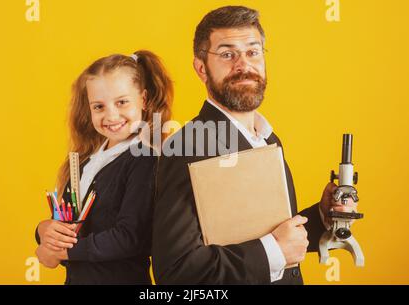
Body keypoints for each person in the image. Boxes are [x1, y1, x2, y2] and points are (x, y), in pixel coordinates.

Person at [152, 6, 358, 284]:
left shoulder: (267, 137)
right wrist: (274, 252)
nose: (243, 65)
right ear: (201, 69)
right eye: (227, 54)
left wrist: (322, 216)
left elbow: (264, 232)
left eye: (253, 52)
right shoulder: (188, 146)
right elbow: (176, 272)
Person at [34, 50, 173, 284]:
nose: (111, 115)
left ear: (144, 100)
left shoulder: (145, 158)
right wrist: (43, 230)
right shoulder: (86, 161)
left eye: (122, 102)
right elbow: (69, 223)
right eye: (98, 106)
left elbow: (131, 237)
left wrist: (63, 252)